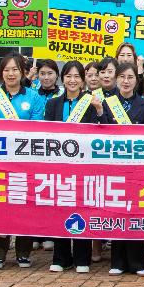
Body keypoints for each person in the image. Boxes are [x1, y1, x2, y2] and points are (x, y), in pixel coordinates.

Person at [0, 53, 47, 269]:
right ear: (0, 73)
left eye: (15, 69)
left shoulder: (33, 97)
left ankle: (23, 251)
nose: (10, 74)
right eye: (6, 70)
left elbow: (37, 126)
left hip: (25, 160)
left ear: (22, 72)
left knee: (24, 204)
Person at [43, 60, 104, 273]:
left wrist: (98, 110)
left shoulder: (91, 101)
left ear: (84, 79)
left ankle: (82, 258)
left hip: (84, 166)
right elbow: (46, 134)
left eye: (77, 76)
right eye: (68, 76)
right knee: (60, 209)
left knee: (82, 209)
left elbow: (103, 128)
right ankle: (61, 257)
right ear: (63, 79)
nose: (72, 80)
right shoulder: (53, 104)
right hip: (59, 166)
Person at [100, 61, 144, 276]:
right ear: (116, 79)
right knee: (117, 211)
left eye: (130, 77)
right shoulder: (107, 103)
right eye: (122, 77)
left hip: (137, 165)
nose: (126, 81)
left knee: (136, 212)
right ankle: (118, 261)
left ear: (136, 80)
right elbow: (101, 130)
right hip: (114, 165)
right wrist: (98, 111)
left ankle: (137, 262)